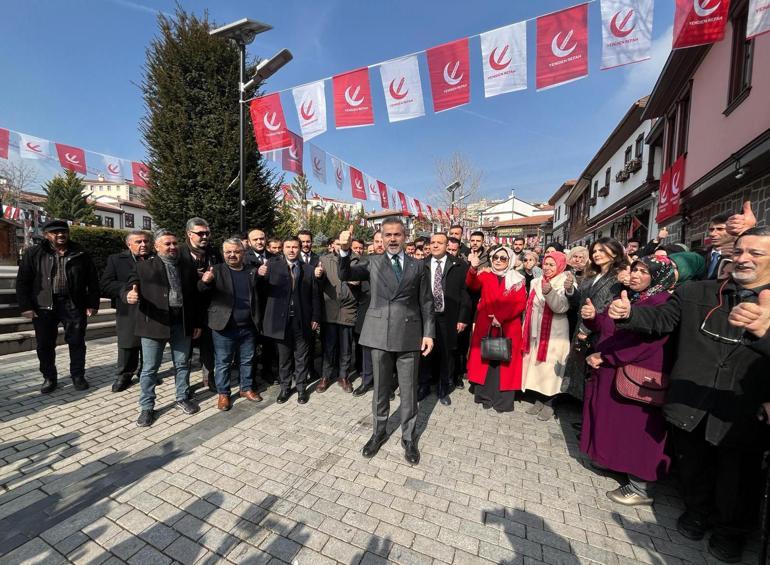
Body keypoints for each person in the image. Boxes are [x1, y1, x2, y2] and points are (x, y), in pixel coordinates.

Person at [607, 226, 770, 563]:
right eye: (739, 251)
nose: (743, 259)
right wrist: (631, 313)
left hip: (742, 409)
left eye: (755, 253)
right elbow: (664, 318)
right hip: (692, 400)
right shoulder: (697, 292)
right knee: (693, 464)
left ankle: (730, 532)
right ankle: (696, 513)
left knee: (737, 475)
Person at [580, 256, 676, 506]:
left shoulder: (662, 303)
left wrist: (607, 356)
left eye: (643, 271)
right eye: (634, 269)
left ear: (658, 276)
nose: (635, 275)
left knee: (637, 431)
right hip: (612, 368)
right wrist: (591, 318)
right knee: (615, 424)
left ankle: (640, 486)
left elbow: (647, 343)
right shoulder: (631, 297)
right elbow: (607, 324)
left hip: (638, 378)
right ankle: (613, 461)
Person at [338, 218, 434, 465]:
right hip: (379, 332)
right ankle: (378, 432)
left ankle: (409, 438)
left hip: (409, 333)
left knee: (409, 390)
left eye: (397, 234)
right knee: (380, 388)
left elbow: (426, 301)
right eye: (388, 234)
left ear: (405, 236)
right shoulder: (372, 262)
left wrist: (428, 333)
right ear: (381, 237)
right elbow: (345, 273)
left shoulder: (418, 265)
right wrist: (345, 250)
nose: (392, 239)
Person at [125, 229, 202, 427]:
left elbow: (195, 297)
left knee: (182, 363)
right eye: (167, 244)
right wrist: (129, 294)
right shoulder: (144, 267)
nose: (172, 247)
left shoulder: (187, 266)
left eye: (175, 243)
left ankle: (182, 397)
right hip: (155, 323)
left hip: (181, 322)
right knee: (150, 369)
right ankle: (147, 407)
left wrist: (196, 323)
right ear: (157, 247)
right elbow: (131, 283)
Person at [16, 219, 100, 394]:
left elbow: (92, 281)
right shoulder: (33, 253)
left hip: (73, 304)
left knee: (77, 342)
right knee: (45, 344)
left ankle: (78, 375)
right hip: (44, 305)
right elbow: (23, 282)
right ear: (46, 235)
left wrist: (92, 303)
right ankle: (49, 377)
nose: (61, 234)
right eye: (55, 232)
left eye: (64, 231)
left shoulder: (81, 253)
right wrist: (26, 306)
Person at [198, 238, 263, 411]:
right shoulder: (217, 270)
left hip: (248, 326)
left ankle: (246, 388)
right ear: (223, 253)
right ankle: (223, 393)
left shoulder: (252, 271)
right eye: (228, 252)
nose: (232, 255)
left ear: (243, 252)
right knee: (223, 362)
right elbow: (201, 293)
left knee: (247, 360)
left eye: (236, 251)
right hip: (224, 327)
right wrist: (205, 281)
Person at [258, 237, 321, 405]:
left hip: (302, 321)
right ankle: (285, 388)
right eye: (288, 247)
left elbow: (315, 296)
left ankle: (301, 389)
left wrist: (315, 317)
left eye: (295, 247)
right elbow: (261, 291)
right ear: (283, 249)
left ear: (300, 249)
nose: (291, 250)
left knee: (302, 357)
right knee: (284, 358)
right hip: (281, 321)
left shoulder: (308, 269)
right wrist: (259, 276)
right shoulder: (272, 266)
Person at [564, 238, 626, 402]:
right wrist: (570, 290)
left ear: (614, 252)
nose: (597, 254)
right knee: (581, 371)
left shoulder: (618, 277)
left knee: (593, 374)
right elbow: (580, 302)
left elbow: (607, 307)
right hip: (582, 326)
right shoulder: (591, 275)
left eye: (602, 250)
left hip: (599, 332)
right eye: (595, 251)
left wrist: (587, 328)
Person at [465, 246, 526, 412]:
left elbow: (520, 303)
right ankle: (485, 396)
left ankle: (502, 401)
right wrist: (473, 268)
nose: (498, 260)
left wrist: (501, 317)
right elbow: (472, 285)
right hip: (486, 324)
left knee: (504, 363)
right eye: (495, 257)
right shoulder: (485, 275)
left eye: (503, 258)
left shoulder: (518, 279)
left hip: (508, 326)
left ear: (510, 261)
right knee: (486, 360)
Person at [418, 233, 471, 406]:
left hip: (449, 316)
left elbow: (465, 294)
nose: (435, 246)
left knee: (447, 354)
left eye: (439, 243)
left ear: (447, 245)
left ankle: (443, 387)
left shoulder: (460, 265)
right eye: (432, 242)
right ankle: (424, 385)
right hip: (426, 317)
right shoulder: (421, 264)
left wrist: (463, 317)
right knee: (426, 352)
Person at [521, 252, 574, 420]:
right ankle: (539, 398)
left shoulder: (566, 282)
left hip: (555, 330)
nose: (547, 267)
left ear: (560, 265)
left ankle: (550, 402)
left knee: (551, 366)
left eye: (552, 265)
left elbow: (561, 307)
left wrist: (550, 292)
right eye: (546, 264)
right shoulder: (536, 281)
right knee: (538, 365)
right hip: (536, 328)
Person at [100, 230, 151, 392]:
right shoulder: (116, 260)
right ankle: (124, 375)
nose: (143, 244)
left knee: (149, 341)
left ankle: (147, 372)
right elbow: (105, 284)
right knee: (127, 343)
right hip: (127, 307)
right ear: (129, 244)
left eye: (146, 241)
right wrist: (125, 290)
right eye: (139, 242)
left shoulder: (155, 258)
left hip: (152, 308)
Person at [179, 217, 221, 393]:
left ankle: (210, 378)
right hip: (185, 312)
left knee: (208, 349)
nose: (205, 236)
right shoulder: (179, 253)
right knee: (184, 354)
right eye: (200, 233)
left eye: (207, 233)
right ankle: (184, 386)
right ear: (189, 234)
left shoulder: (213, 253)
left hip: (208, 311)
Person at [316, 237, 357, 393]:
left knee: (346, 347)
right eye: (338, 244)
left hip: (348, 309)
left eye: (343, 244)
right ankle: (325, 377)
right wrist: (318, 275)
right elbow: (317, 284)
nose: (341, 246)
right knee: (329, 346)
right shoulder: (324, 260)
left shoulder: (355, 259)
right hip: (330, 309)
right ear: (332, 245)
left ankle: (343, 376)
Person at [702, 214, 733, 280]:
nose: (712, 234)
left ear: (733, 231)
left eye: (720, 229)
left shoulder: (738, 257)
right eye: (711, 229)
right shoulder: (700, 255)